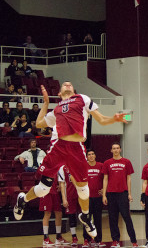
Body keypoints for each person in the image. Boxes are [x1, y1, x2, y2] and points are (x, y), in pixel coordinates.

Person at [13, 81, 127, 240]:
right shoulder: (57, 109)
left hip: (76, 147)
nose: (67, 84)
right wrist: (45, 103)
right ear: (59, 93)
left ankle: (86, 216)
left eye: (70, 84)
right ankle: (22, 199)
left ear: (73, 90)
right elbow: (39, 124)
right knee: (44, 188)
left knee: (83, 189)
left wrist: (114, 119)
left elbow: (101, 119)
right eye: (64, 84)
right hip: (59, 147)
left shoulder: (82, 99)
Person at [102, 142, 138, 248]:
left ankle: (134, 241)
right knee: (113, 218)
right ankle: (115, 241)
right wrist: (104, 195)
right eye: (114, 148)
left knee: (127, 217)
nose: (116, 150)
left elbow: (129, 178)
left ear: (120, 150)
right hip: (111, 194)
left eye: (117, 148)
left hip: (123, 194)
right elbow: (105, 179)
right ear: (111, 150)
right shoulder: (107, 163)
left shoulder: (126, 162)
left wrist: (130, 193)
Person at [82, 149, 105, 248]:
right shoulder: (83, 166)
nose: (91, 156)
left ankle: (98, 240)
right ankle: (86, 240)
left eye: (92, 154)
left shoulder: (101, 165)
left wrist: (104, 189)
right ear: (87, 156)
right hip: (86, 198)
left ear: (95, 156)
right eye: (89, 154)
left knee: (97, 219)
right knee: (86, 219)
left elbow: (106, 178)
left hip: (97, 197)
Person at [39, 179, 68, 246]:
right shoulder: (44, 168)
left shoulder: (57, 168)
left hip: (54, 191)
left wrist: (59, 185)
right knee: (47, 214)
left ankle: (58, 237)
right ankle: (45, 239)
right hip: (45, 192)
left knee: (59, 213)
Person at [58, 165, 79, 245]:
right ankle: (74, 237)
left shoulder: (79, 163)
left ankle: (88, 238)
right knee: (71, 216)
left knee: (84, 215)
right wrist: (64, 198)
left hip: (81, 193)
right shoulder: (62, 168)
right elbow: (62, 184)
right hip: (70, 195)